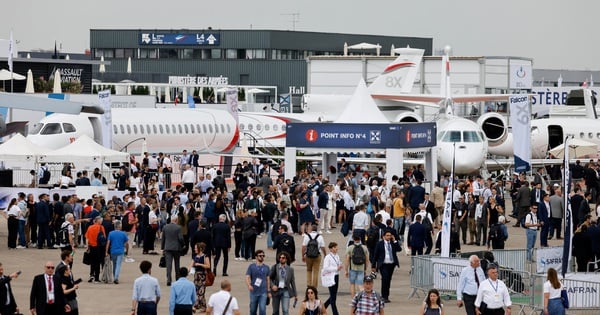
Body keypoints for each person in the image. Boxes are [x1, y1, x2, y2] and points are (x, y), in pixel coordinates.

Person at [371, 230, 401, 303]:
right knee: (385, 279)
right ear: (383, 236)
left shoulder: (392, 243)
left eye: (390, 235)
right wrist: (373, 265)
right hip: (383, 264)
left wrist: (395, 241)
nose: (389, 237)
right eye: (387, 235)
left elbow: (399, 249)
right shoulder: (380, 244)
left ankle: (386, 295)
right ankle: (384, 296)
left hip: (391, 264)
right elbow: (375, 255)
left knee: (388, 280)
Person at [245, 249, 270, 315]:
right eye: (260, 256)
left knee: (262, 310)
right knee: (253, 310)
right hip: (254, 292)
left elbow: (268, 279)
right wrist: (249, 285)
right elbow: (247, 277)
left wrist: (268, 291)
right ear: (256, 257)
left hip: (263, 292)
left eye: (263, 256)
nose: (262, 257)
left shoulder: (266, 267)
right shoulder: (251, 266)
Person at [321, 242, 343, 315]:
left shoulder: (337, 256)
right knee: (333, 297)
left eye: (336, 247)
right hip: (330, 277)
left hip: (336, 276)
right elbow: (326, 268)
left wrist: (340, 266)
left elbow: (338, 263)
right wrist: (336, 268)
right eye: (334, 247)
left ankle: (323, 306)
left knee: (334, 295)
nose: (336, 248)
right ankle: (335, 313)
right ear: (330, 249)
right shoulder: (328, 257)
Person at [345, 233, 370, 297]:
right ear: (360, 239)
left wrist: (346, 270)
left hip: (352, 268)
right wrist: (365, 268)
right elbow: (367, 260)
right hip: (361, 268)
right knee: (360, 284)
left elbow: (347, 260)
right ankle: (362, 297)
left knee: (352, 284)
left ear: (353, 239)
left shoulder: (350, 247)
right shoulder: (364, 247)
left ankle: (353, 298)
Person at [162, 216, 184, 286]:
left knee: (169, 265)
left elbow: (163, 238)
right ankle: (177, 278)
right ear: (176, 220)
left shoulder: (165, 227)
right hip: (176, 248)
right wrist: (183, 244)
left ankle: (169, 279)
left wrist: (163, 248)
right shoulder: (178, 228)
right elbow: (180, 238)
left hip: (167, 247)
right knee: (177, 264)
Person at [189, 242, 211, 313]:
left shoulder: (205, 256)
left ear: (200, 249)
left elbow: (208, 266)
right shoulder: (195, 256)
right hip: (196, 276)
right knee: (196, 291)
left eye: (196, 248)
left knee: (200, 292)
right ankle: (204, 307)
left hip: (203, 276)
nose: (194, 249)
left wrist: (200, 264)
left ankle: (195, 306)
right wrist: (186, 270)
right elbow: (190, 265)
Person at [106, 220, 129, 284]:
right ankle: (116, 277)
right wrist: (127, 250)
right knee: (118, 264)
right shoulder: (123, 233)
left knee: (114, 264)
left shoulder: (111, 233)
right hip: (120, 251)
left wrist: (106, 251)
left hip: (113, 251)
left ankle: (115, 276)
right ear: (120, 226)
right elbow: (127, 243)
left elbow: (108, 243)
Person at [85, 216, 106, 283]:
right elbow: (104, 237)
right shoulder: (101, 227)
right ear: (99, 221)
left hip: (91, 246)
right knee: (98, 262)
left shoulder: (90, 227)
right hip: (99, 247)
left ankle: (91, 275)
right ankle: (96, 278)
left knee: (92, 262)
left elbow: (87, 238)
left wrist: (87, 247)